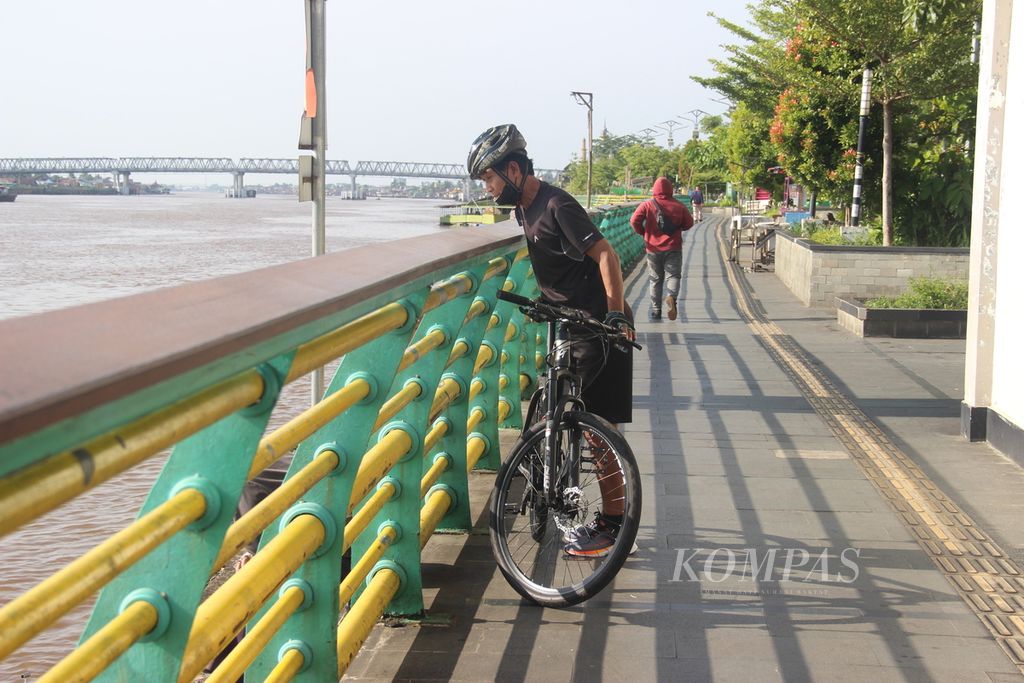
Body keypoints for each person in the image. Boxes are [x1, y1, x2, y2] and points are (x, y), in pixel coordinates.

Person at [467, 123, 635, 558]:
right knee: (575, 416)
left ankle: (613, 526)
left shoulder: (556, 203)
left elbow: (606, 254)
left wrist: (614, 314)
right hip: (570, 320)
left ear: (514, 169)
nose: (486, 188)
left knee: (597, 430)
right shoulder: (523, 208)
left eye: (488, 177)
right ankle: (597, 512)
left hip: (600, 324)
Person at [631, 177, 694, 321]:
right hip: (673, 247)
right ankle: (671, 297)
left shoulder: (647, 205)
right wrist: (678, 228)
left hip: (652, 248)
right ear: (670, 189)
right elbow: (689, 223)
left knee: (655, 279)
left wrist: (644, 232)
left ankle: (656, 310)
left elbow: (634, 220)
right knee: (673, 276)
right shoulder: (679, 205)